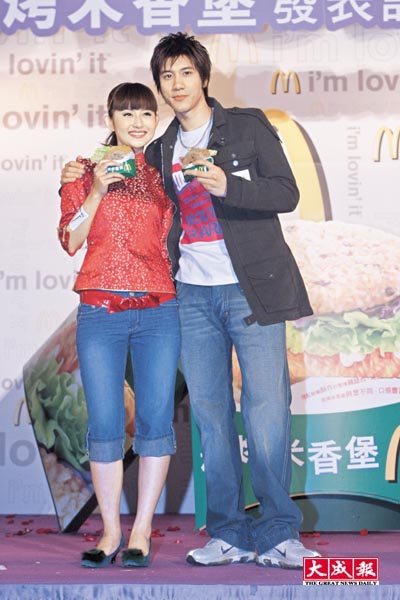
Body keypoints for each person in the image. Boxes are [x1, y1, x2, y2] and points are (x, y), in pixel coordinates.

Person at [61, 33, 321, 569]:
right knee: (210, 416)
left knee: (267, 412)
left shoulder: (246, 125)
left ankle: (279, 533)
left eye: (185, 73)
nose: (177, 84)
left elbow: (287, 192)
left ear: (203, 77)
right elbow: (113, 170)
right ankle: (227, 532)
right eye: (167, 76)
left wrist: (230, 185)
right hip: (192, 296)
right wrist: (80, 174)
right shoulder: (159, 150)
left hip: (250, 289)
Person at [58, 82, 180, 568]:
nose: (137, 122)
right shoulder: (83, 170)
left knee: (156, 421)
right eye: (126, 113)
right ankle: (110, 531)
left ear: (156, 120)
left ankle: (142, 531)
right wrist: (96, 189)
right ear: (110, 119)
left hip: (159, 309)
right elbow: (70, 240)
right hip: (100, 309)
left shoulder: (165, 174)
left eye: (146, 113)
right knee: (106, 423)